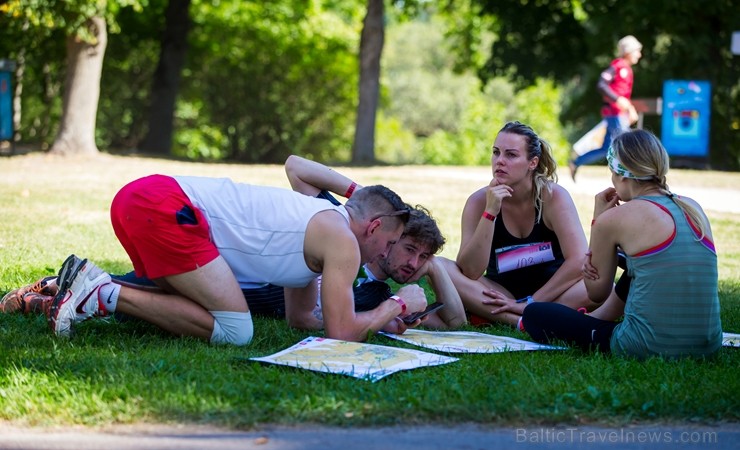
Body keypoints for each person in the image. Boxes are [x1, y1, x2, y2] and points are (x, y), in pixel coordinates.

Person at [41, 173, 428, 345]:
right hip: (166, 206)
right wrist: (395, 304)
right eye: (392, 242)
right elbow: (339, 335)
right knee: (236, 331)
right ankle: (99, 291)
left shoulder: (324, 230)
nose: (386, 254)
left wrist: (374, 325)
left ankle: (77, 287)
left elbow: (302, 320)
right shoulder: (342, 238)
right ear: (374, 227)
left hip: (146, 196)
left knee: (189, 307)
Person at [523, 129, 722, 359]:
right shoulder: (692, 207)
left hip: (647, 347)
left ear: (622, 175)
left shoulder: (613, 219)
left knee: (535, 314)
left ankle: (596, 323)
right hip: (709, 346)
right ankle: (597, 320)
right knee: (635, 268)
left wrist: (598, 221)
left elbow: (596, 293)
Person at [440, 121, 596, 330]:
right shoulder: (478, 202)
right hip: (501, 294)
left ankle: (520, 314)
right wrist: (490, 213)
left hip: (554, 292)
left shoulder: (553, 197)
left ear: (532, 163)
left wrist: (529, 303)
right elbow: (469, 271)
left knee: (600, 286)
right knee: (441, 267)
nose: (500, 161)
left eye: (511, 155)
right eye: (496, 153)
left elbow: (578, 260)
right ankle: (522, 322)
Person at [282, 155, 467, 331]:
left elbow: (455, 322)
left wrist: (434, 267)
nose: (414, 263)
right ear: (390, 233)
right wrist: (366, 196)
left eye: (423, 257)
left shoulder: (382, 300)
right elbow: (296, 167)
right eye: (410, 249)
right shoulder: (342, 225)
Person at [569, 35, 643, 181]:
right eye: (637, 51)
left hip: (619, 113)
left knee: (608, 148)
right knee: (624, 144)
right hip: (615, 114)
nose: (639, 55)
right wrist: (618, 100)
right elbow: (602, 85)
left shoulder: (626, 69)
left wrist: (630, 109)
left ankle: (575, 162)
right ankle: (629, 178)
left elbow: (623, 96)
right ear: (628, 51)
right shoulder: (618, 66)